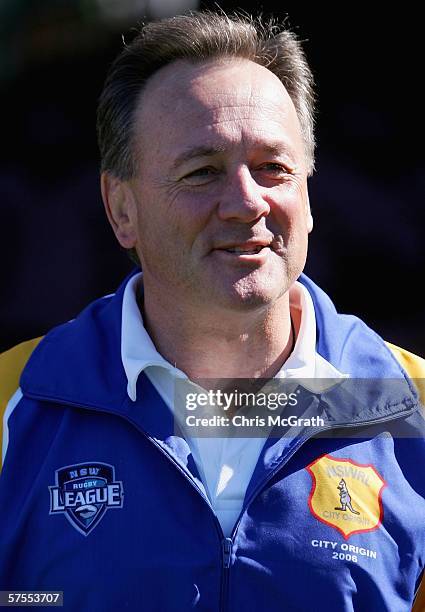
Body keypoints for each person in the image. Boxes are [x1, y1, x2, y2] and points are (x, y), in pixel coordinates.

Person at [0, 11, 424, 611]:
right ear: (120, 209)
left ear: (308, 196)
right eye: (202, 172)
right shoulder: (12, 406)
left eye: (274, 168)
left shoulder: (412, 405)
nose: (247, 202)